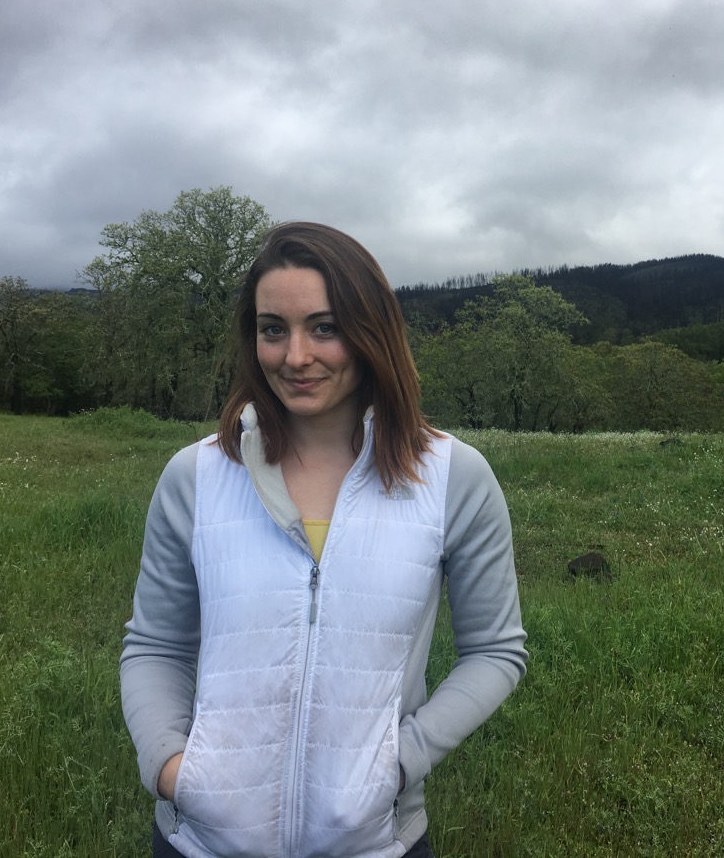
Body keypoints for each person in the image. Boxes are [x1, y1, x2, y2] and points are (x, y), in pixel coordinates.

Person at [120, 222, 527, 858]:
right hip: (199, 843)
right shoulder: (195, 476)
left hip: (375, 843)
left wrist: (394, 767)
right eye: (273, 329)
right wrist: (173, 768)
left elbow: (496, 650)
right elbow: (155, 644)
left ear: (371, 335)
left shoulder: (454, 478)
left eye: (325, 327)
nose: (295, 356)